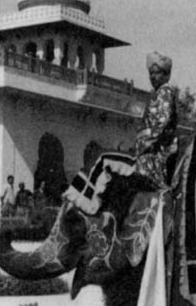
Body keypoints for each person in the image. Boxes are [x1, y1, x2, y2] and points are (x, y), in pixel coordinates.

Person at [64, 51, 178, 215]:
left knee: (103, 158)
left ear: (166, 75)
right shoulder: (158, 94)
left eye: (157, 73)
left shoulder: (165, 93)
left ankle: (89, 206)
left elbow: (160, 125)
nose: (153, 77)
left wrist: (140, 142)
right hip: (147, 157)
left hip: (151, 161)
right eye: (151, 74)